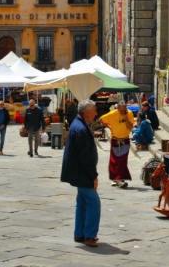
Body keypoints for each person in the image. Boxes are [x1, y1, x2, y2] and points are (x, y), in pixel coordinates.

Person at [61, 100, 100, 247]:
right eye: (95, 110)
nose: (96, 113)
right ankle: (89, 235)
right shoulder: (81, 128)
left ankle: (79, 234)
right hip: (82, 172)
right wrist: (94, 176)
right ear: (87, 111)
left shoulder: (79, 125)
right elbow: (85, 157)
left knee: (82, 203)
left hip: (78, 172)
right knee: (94, 203)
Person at [100, 101, 135, 187]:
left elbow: (130, 127)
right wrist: (109, 127)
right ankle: (115, 179)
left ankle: (120, 178)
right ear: (118, 108)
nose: (123, 111)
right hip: (115, 140)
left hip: (125, 139)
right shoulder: (113, 114)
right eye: (121, 110)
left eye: (124, 109)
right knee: (114, 160)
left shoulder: (129, 113)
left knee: (123, 160)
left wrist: (126, 117)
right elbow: (101, 119)